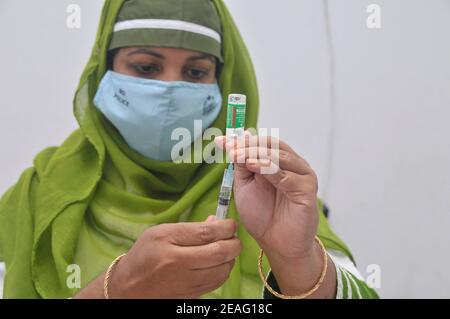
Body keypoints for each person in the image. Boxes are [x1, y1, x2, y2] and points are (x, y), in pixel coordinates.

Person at [0, 0, 378, 299]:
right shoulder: (43, 194)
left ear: (223, 79)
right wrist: (114, 290)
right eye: (146, 68)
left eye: (195, 73)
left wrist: (296, 261)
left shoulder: (266, 190)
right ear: (104, 68)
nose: (169, 91)